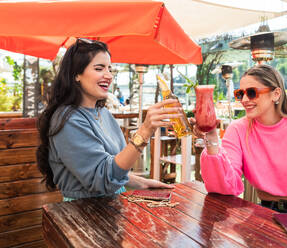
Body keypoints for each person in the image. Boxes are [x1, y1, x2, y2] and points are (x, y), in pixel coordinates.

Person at [192, 64, 287, 234]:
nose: (245, 100)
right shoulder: (238, 129)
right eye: (240, 94)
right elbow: (225, 188)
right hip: (265, 213)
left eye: (252, 92)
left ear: (276, 94)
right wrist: (211, 139)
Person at [36, 38, 183, 201]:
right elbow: (102, 179)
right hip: (84, 213)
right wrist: (145, 131)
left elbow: (113, 167)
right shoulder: (68, 120)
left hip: (112, 205)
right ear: (76, 74)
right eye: (99, 68)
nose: (109, 76)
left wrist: (141, 182)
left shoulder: (103, 113)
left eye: (110, 69)